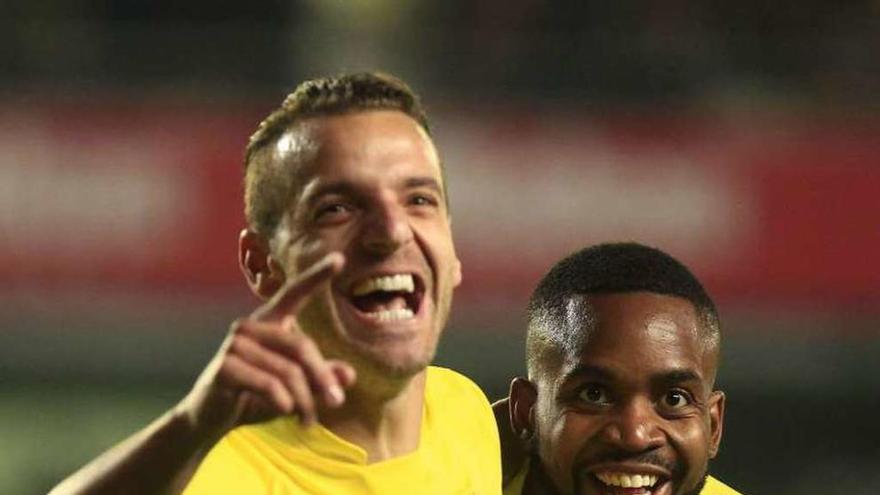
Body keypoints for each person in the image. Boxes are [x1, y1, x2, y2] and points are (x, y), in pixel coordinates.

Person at [50, 73, 502, 494]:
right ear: (262, 264)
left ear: (452, 249)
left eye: (419, 199)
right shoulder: (225, 474)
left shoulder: (465, 411)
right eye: (336, 209)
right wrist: (190, 425)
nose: (391, 231)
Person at [497, 242, 743, 495]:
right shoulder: (460, 481)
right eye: (594, 395)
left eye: (674, 399)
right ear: (527, 413)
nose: (635, 436)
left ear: (713, 427)